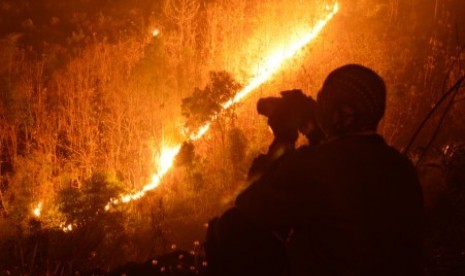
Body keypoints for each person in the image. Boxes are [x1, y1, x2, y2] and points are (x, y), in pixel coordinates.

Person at [235, 64, 424, 276]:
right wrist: (316, 134)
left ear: (336, 114)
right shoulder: (400, 167)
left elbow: (250, 205)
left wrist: (283, 139)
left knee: (229, 228)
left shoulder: (314, 165)